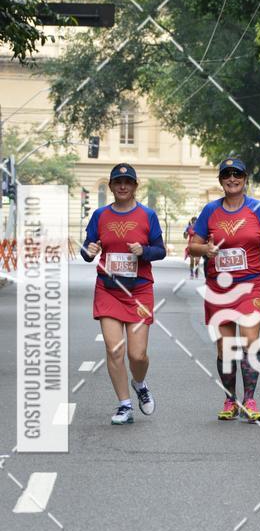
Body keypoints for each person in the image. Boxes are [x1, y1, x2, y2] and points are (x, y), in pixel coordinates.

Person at [189, 157, 260, 422]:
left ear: (245, 178)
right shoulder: (210, 211)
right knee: (225, 348)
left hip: (251, 285)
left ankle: (249, 399)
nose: (232, 179)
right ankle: (230, 399)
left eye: (237, 175)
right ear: (221, 180)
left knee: (250, 341)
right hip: (219, 287)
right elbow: (194, 245)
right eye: (227, 175)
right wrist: (205, 249)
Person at [81, 163, 166, 424]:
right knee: (114, 348)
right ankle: (124, 404)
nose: (122, 186)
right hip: (108, 288)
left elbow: (160, 250)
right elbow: (87, 249)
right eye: (118, 182)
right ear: (111, 186)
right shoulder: (100, 215)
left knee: (137, 355)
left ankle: (139, 384)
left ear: (135, 186)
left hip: (139, 290)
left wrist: (145, 251)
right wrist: (90, 252)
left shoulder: (147, 215)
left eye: (127, 182)